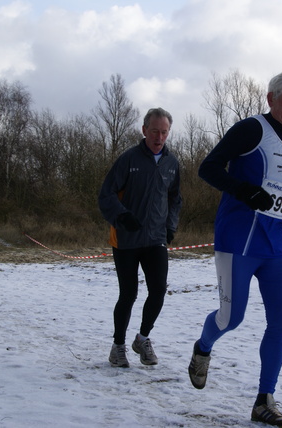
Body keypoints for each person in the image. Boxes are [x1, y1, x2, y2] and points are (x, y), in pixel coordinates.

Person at [187, 69, 282, 427]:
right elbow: (208, 168)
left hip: (277, 241)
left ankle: (265, 399)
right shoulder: (250, 129)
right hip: (238, 238)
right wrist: (243, 190)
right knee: (232, 318)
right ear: (271, 99)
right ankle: (203, 347)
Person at [98, 107, 182, 368]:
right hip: (126, 239)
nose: (159, 136)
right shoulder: (129, 159)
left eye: (164, 132)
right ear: (144, 130)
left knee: (158, 291)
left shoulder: (172, 164)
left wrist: (170, 227)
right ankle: (118, 346)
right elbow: (106, 194)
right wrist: (121, 217)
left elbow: (175, 198)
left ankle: (142, 338)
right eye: (154, 131)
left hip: (156, 238)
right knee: (129, 293)